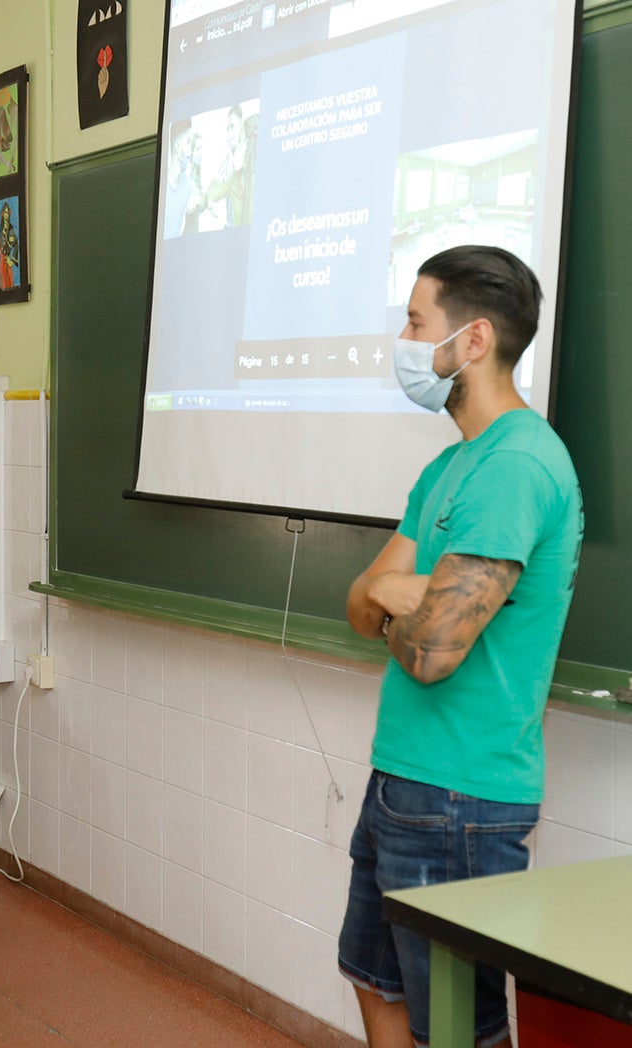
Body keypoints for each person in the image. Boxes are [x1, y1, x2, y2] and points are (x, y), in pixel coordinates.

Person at [339, 245, 583, 1048]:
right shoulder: (450, 466)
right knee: (375, 981)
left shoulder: (516, 465)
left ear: (472, 341)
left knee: (459, 1030)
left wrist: (406, 599)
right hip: (402, 778)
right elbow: (359, 602)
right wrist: (393, 593)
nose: (404, 341)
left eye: (416, 322)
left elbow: (433, 652)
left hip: (460, 800)